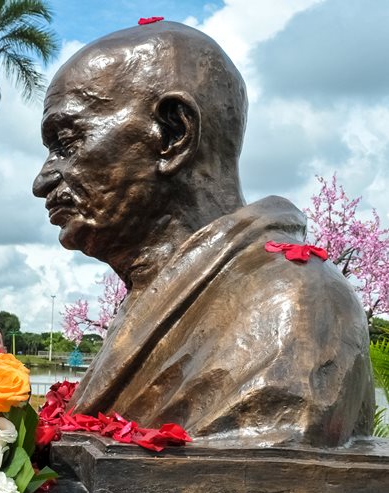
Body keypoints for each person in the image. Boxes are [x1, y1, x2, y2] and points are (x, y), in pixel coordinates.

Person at [32, 20, 374, 446]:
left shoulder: (296, 310)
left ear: (174, 134)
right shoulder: (162, 294)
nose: (42, 181)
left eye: (66, 142)